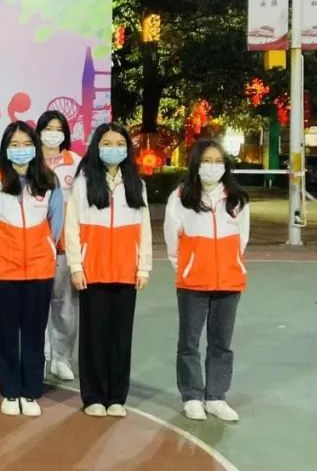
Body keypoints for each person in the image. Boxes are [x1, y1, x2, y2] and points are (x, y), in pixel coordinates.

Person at [64, 122, 151, 418]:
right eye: (107, 144)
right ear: (97, 147)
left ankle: (116, 397)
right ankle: (94, 396)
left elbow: (145, 229)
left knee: (121, 337)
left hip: (127, 272)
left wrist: (143, 266)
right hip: (93, 271)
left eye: (120, 144)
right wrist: (76, 266)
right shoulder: (83, 183)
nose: (114, 149)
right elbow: (72, 227)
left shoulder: (137, 185)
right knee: (94, 336)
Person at [0, 122, 64, 417]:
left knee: (34, 333)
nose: (21, 149)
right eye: (14, 145)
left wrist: (45, 251)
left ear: (35, 147)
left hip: (39, 271)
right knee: (5, 333)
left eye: (26, 144)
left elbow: (56, 224)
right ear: (5, 149)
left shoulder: (49, 181)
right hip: (3, 271)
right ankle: (10, 391)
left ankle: (31, 392)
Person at [164, 139, 250, 423]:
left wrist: (230, 264)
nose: (213, 167)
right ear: (196, 164)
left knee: (221, 342)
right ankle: (192, 396)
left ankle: (216, 397)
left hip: (229, 281)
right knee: (189, 342)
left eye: (218, 161)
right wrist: (188, 268)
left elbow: (242, 239)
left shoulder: (237, 199)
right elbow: (172, 240)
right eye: (207, 161)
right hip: (193, 283)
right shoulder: (180, 197)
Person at [36, 110, 83, 382]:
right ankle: (40, 356)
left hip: (65, 246)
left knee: (65, 307)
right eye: (48, 128)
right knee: (37, 305)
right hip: (36, 247)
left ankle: (61, 358)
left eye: (58, 129)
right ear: (39, 132)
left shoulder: (75, 163)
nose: (53, 134)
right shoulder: (31, 162)